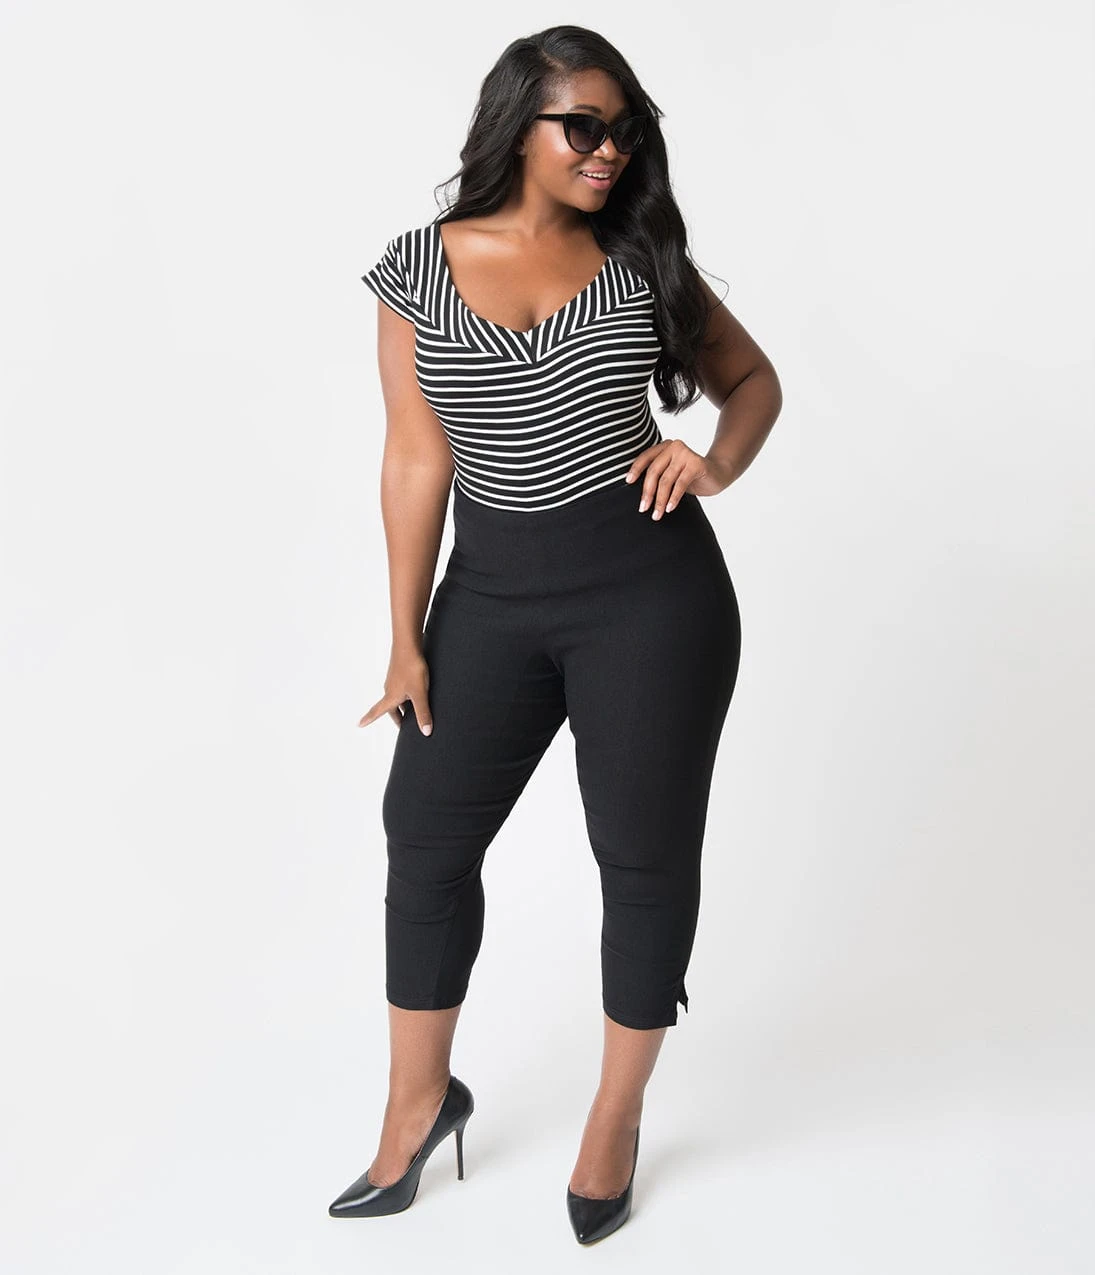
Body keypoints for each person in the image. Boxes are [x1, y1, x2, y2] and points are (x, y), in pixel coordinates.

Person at [328, 23, 782, 1245]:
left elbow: (754, 383)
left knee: (640, 862)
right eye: (583, 126)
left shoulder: (638, 258)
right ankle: (417, 1105)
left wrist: (713, 463)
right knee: (425, 837)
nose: (608, 150)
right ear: (515, 125)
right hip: (488, 599)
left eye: (623, 131)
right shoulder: (417, 268)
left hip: (651, 596)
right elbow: (415, 458)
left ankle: (615, 1117)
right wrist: (405, 636)